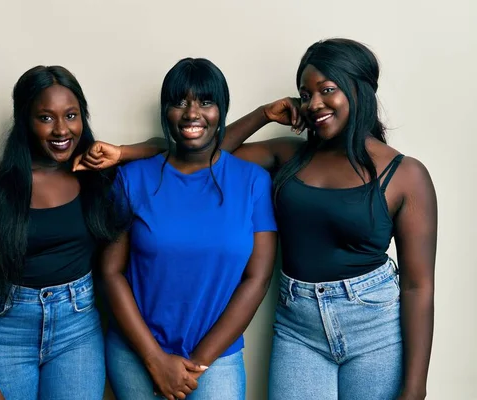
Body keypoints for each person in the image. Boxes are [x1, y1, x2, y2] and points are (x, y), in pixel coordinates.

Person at [219, 38, 437, 400]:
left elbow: (418, 287)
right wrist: (264, 114)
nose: (314, 103)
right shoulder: (288, 154)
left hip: (376, 331)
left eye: (327, 90)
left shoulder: (405, 174)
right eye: (305, 94)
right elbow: (206, 159)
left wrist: (415, 389)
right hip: (297, 329)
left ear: (359, 89)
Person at [0, 65, 162, 400]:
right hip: (6, 328)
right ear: (24, 121)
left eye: (72, 115)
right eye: (46, 118)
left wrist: (121, 153)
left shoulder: (96, 177)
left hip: (76, 329)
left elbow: (165, 148)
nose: (61, 129)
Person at [99, 58, 278, 400]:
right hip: (136, 353)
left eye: (205, 102)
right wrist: (155, 360)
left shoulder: (253, 181)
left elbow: (258, 278)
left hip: (216, 358)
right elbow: (110, 273)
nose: (192, 113)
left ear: (222, 111)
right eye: (180, 103)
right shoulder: (132, 177)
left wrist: (199, 362)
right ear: (166, 111)